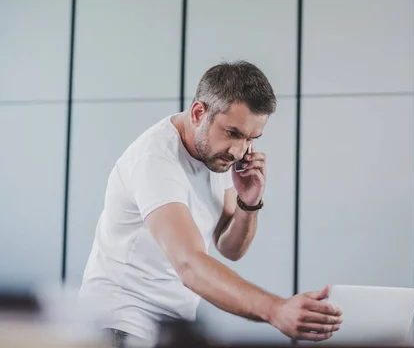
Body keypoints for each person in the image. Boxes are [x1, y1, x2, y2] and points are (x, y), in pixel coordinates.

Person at [78, 61, 343, 347]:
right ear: (198, 113)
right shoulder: (155, 160)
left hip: (170, 326)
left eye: (251, 138)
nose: (239, 150)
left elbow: (229, 247)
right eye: (233, 133)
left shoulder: (216, 157)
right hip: (120, 325)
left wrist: (248, 203)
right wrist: (276, 309)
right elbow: (189, 263)